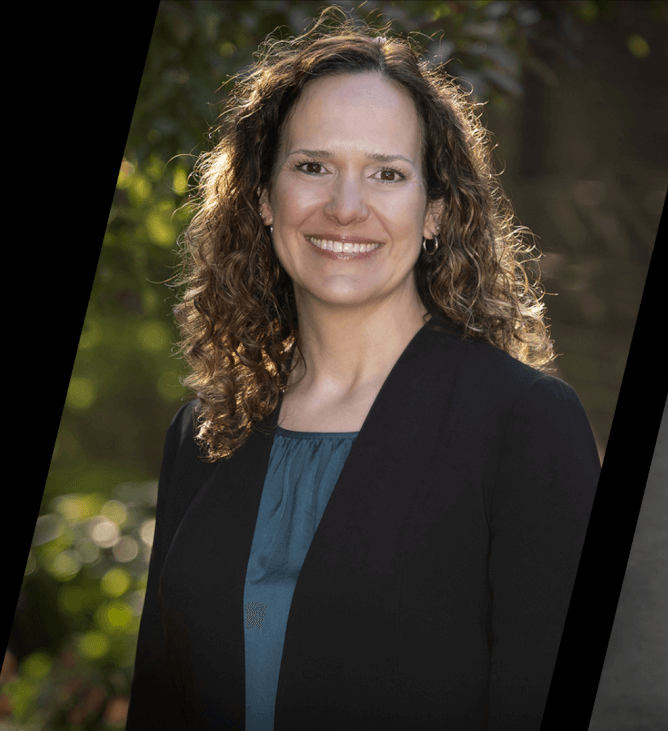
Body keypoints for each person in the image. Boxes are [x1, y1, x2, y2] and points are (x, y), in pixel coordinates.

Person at [126, 12, 600, 731]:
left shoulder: (524, 426)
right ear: (263, 197)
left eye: (387, 174)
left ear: (435, 211)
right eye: (313, 167)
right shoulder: (204, 435)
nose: (346, 209)